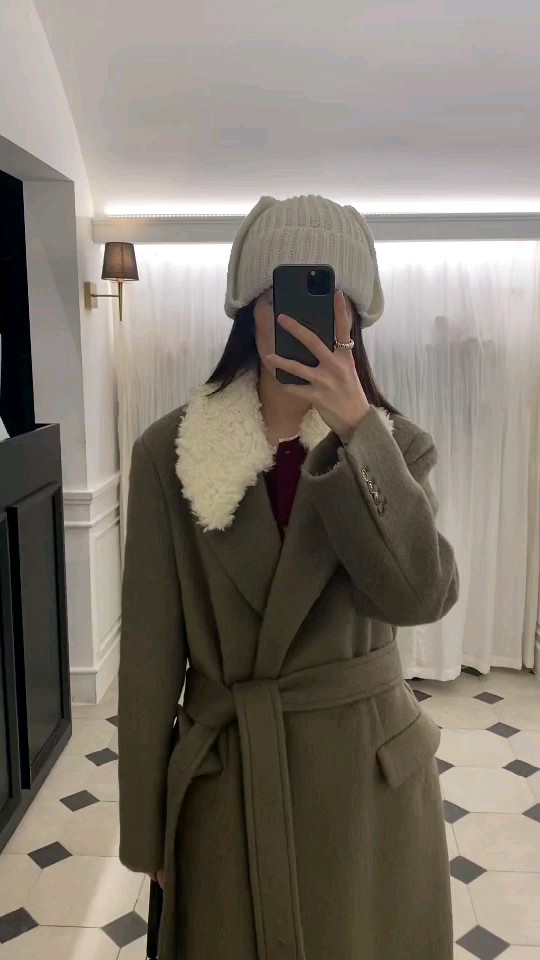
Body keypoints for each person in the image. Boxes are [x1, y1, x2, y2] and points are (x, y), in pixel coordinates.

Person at [117, 194, 459, 960]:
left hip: (366, 791)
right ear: (250, 309)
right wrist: (147, 831)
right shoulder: (169, 453)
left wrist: (359, 432)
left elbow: (420, 595)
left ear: (354, 317)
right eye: (281, 293)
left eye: (326, 294)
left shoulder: (396, 447)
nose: (302, 316)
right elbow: (147, 662)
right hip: (227, 780)